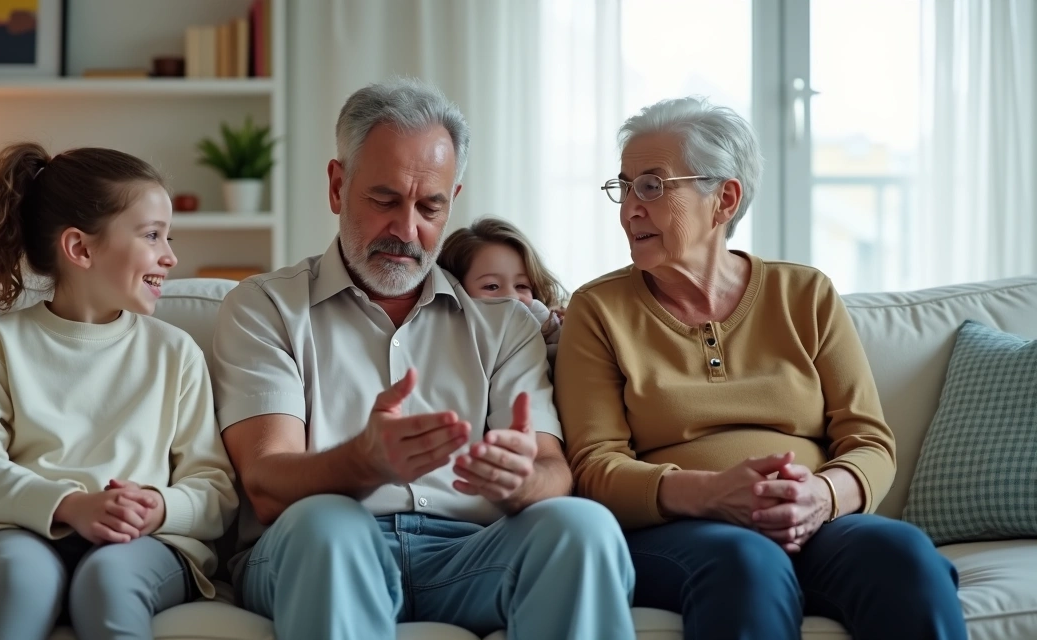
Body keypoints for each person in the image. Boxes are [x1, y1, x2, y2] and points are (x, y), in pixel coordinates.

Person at [211, 78, 634, 640]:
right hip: (316, 546)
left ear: (453, 201)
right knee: (328, 526)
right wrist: (363, 461)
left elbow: (552, 472)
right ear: (338, 186)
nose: (406, 230)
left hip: (467, 555)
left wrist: (518, 482)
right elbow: (265, 484)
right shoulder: (266, 307)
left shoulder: (503, 325)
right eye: (384, 200)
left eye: (429, 206)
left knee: (582, 527)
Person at [556, 96, 966, 640]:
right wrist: (711, 492)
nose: (629, 207)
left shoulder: (805, 294)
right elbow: (594, 468)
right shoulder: (599, 310)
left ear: (723, 199)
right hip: (681, 533)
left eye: (651, 186)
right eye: (624, 186)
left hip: (812, 523)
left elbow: (870, 442)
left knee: (903, 554)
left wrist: (822, 497)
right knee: (747, 563)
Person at [0, 142, 238, 640]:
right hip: (13, 534)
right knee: (20, 581)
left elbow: (215, 488)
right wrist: (71, 505)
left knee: (108, 581)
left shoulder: (175, 353)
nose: (170, 255)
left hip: (140, 542)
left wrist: (159, 507)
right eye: (152, 235)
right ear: (80, 248)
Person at [438, 217, 567, 367]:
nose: (512, 297)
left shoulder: (556, 336)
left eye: (522, 286)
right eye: (492, 286)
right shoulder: (446, 346)